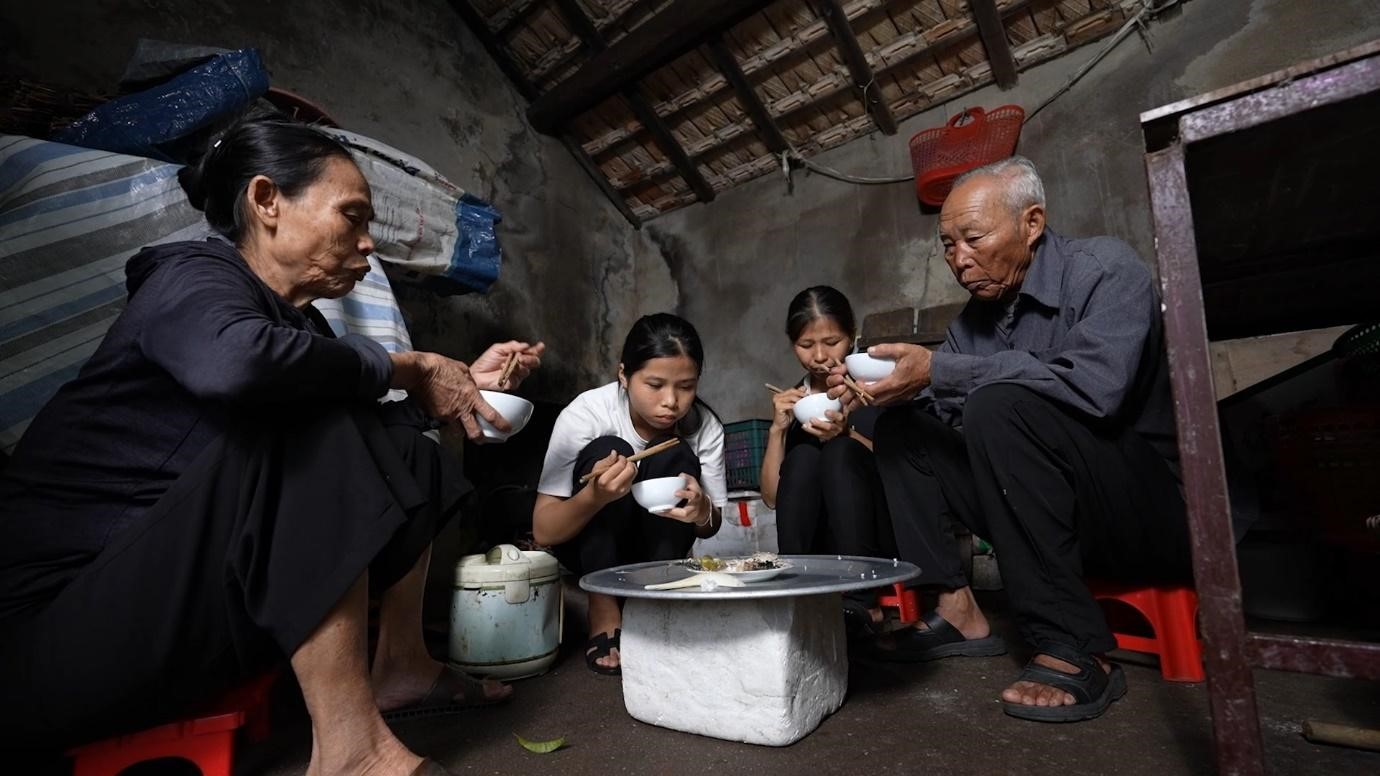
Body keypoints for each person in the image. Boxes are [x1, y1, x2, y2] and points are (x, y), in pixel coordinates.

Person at [0, 119, 544, 776]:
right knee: (307, 418)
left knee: (415, 459)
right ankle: (351, 754)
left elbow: (367, 456)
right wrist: (407, 366)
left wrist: (461, 386)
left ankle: (402, 665)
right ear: (266, 201)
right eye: (352, 216)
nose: (369, 242)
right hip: (47, 647)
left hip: (159, 619)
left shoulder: (298, 330)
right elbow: (238, 367)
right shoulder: (190, 277)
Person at [830, 156, 1189, 722]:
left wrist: (943, 372)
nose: (959, 258)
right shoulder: (973, 323)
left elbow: (1098, 390)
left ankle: (1072, 645)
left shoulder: (1104, 271)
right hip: (1044, 517)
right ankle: (956, 610)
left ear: (1032, 222)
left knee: (999, 403)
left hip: (1145, 511)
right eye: (947, 245)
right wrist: (882, 394)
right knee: (901, 429)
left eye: (973, 237)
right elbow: (952, 417)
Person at [532, 314, 726, 675]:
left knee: (674, 451)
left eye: (686, 386)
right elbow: (544, 531)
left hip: (658, 547)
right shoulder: (587, 413)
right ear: (624, 374)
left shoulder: (705, 427)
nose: (671, 401)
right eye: (654, 384)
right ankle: (603, 608)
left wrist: (701, 512)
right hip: (588, 548)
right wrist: (594, 497)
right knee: (608, 446)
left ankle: (657, 602)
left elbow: (711, 525)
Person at [759, 286, 894, 634]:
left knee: (839, 452)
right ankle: (798, 590)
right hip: (817, 544)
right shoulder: (797, 400)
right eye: (806, 345)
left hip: (878, 535)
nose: (819, 355)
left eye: (832, 341)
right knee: (803, 456)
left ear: (852, 337)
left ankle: (863, 601)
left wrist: (846, 434)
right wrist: (778, 430)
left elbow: (905, 474)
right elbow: (774, 498)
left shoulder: (879, 385)